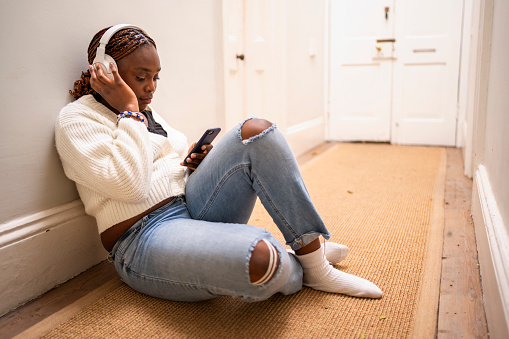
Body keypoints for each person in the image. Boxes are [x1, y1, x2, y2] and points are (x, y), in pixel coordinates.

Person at [55, 25, 382, 302]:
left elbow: (162, 170)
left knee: (256, 132)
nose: (151, 87)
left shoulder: (148, 113)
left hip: (193, 205)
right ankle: (296, 262)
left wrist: (190, 168)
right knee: (262, 260)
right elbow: (130, 186)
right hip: (143, 238)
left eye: (155, 77)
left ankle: (314, 262)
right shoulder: (77, 120)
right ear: (107, 71)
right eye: (141, 77)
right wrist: (129, 110)